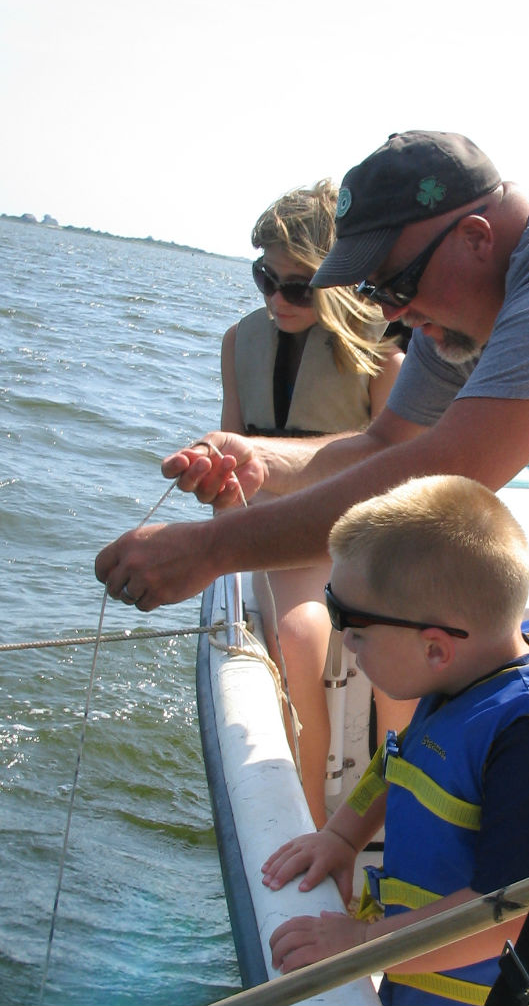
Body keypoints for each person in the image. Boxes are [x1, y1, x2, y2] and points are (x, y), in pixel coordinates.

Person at [95, 131, 529, 920]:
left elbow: (449, 473)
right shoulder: (461, 308)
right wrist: (259, 458)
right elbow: (384, 444)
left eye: (397, 283)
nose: (395, 312)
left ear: (476, 237)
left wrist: (209, 549)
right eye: (376, 295)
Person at [260, 474, 529, 1006]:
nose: (346, 642)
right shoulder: (479, 663)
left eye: (352, 626)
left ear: (435, 648)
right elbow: (407, 760)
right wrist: (342, 836)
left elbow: (505, 915)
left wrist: (360, 944)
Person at [222, 182, 405, 826]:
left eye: (296, 286)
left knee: (396, 641)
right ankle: (311, 820)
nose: (276, 299)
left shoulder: (385, 352)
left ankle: (399, 804)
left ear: (335, 281)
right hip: (283, 526)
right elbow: (234, 475)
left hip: (362, 523)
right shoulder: (237, 342)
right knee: (301, 636)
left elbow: (398, 466)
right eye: (263, 279)